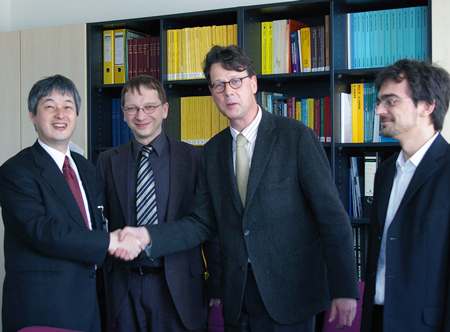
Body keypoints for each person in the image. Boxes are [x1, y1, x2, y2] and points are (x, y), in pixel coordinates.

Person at [118, 45, 360, 331]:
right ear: (212, 92)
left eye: (236, 81)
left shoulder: (296, 137)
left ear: (253, 83)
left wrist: (344, 287)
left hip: (290, 295)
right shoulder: (212, 151)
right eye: (219, 85)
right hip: (238, 297)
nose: (228, 92)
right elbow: (201, 223)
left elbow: (331, 217)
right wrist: (148, 235)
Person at [0, 74, 144, 332]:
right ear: (33, 115)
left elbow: (96, 225)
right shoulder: (16, 171)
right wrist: (111, 241)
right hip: (44, 309)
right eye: (49, 106)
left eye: (68, 106)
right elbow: (42, 231)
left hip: (91, 305)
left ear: (77, 115)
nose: (60, 114)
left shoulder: (87, 169)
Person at [96, 75, 221, 332]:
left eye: (149, 107)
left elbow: (208, 225)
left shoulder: (195, 158)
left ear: (164, 110)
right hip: (124, 286)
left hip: (180, 286)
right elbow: (100, 225)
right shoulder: (107, 161)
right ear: (124, 113)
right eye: (132, 108)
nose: (141, 115)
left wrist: (217, 283)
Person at [360, 59, 450, 331]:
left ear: (427, 106)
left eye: (390, 101)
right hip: (377, 319)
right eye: (379, 102)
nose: (378, 111)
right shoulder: (386, 171)